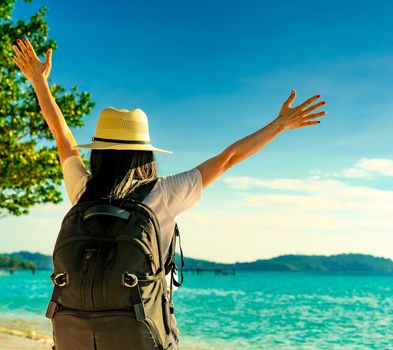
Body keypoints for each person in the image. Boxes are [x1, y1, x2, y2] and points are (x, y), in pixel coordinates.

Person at [12, 37, 327, 349]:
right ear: (145, 153)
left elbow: (62, 136)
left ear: (98, 152)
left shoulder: (83, 191)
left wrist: (40, 81)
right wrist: (280, 124)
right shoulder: (163, 193)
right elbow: (228, 159)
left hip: (78, 339)